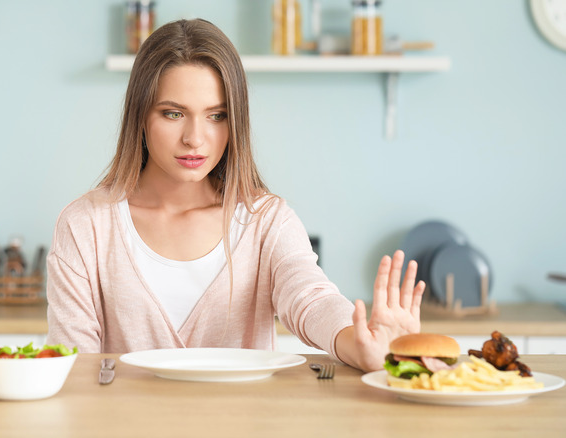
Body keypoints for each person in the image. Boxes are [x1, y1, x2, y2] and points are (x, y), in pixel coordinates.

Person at [46, 18, 425, 372]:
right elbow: (74, 370)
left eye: (217, 116)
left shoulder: (267, 221)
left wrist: (357, 342)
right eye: (173, 113)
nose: (195, 138)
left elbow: (311, 298)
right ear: (140, 115)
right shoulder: (86, 225)